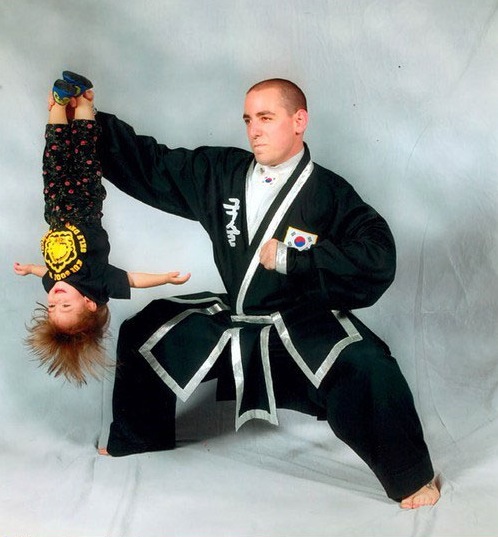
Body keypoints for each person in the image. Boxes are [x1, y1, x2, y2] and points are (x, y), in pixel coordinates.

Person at [94, 77, 440, 508]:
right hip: (236, 315)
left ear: (299, 121)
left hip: (300, 322)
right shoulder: (222, 172)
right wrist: (90, 125)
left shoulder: (329, 192)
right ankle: (139, 437)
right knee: (145, 334)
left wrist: (294, 258)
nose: (254, 130)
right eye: (248, 120)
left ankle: (411, 479)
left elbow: (377, 255)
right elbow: (154, 165)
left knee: (369, 366)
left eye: (265, 118)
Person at [13, 73, 190, 385]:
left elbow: (47, 272)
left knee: (54, 153)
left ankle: (58, 103)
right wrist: (164, 278)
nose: (55, 298)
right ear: (89, 304)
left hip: (54, 202)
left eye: (52, 306)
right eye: (65, 305)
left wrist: (30, 269)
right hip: (86, 199)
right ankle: (83, 101)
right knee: (84, 150)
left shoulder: (53, 281)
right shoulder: (97, 282)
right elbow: (133, 280)